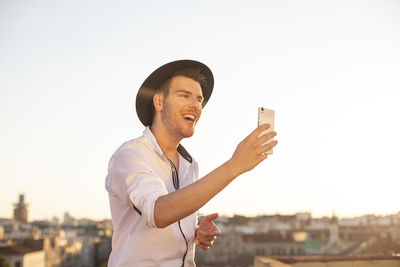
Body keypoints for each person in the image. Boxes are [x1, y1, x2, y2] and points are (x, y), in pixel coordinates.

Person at [105, 59, 278, 267]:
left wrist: (193, 233)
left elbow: (168, 222)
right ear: (159, 102)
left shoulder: (190, 164)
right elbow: (158, 213)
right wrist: (235, 166)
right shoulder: (130, 155)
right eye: (184, 95)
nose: (195, 105)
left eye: (199, 99)